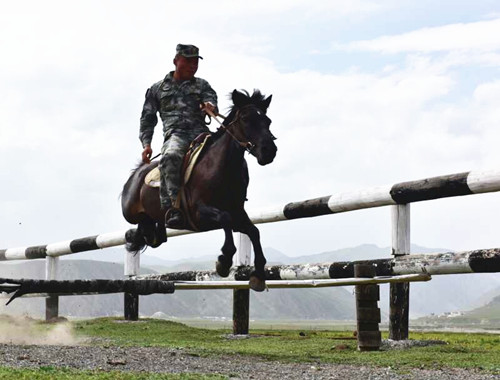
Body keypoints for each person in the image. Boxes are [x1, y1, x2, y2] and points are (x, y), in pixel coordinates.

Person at [139, 44, 218, 228]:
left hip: (201, 134)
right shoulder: (157, 89)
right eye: (188, 61)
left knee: (227, 150)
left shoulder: (202, 85)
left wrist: (210, 106)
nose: (193, 66)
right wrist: (146, 144)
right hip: (176, 135)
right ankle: (172, 208)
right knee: (171, 156)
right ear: (176, 61)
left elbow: (211, 99)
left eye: (195, 62)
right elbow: (147, 119)